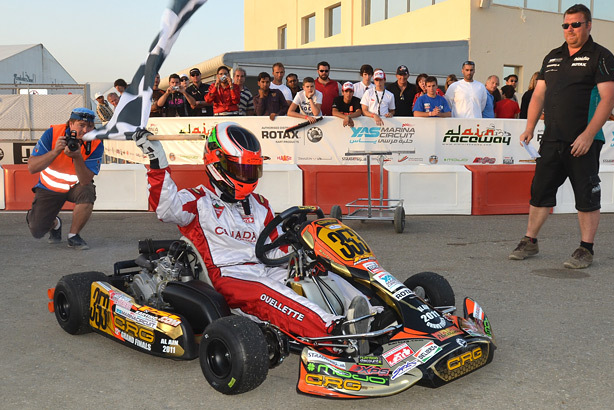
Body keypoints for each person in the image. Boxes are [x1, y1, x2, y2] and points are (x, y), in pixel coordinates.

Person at [132, 123, 372, 341]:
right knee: (270, 293)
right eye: (239, 170)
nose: (246, 177)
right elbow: (165, 208)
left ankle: (373, 313)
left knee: (319, 272)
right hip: (228, 275)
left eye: (250, 171)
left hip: (265, 267)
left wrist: (304, 254)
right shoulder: (198, 200)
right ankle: (334, 331)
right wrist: (158, 161)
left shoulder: (259, 203)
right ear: (217, 165)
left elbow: (278, 245)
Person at [510, 4, 614, 269]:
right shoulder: (553, 56)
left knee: (587, 194)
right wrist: (530, 126)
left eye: (576, 25)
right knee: (540, 191)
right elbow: (539, 94)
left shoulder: (601, 56)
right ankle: (530, 241)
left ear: (588, 25)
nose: (570, 30)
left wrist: (588, 135)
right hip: (552, 139)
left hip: (583, 141)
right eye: (566, 25)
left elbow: (609, 98)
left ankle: (586, 249)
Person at [26, 108, 104, 250]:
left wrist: (78, 157)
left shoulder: (96, 142)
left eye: (90, 126)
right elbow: (32, 167)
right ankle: (55, 223)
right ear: (70, 124)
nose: (86, 130)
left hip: (75, 186)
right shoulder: (53, 133)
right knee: (37, 230)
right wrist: (55, 151)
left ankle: (73, 236)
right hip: (49, 187)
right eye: (81, 125)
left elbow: (86, 179)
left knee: (88, 191)